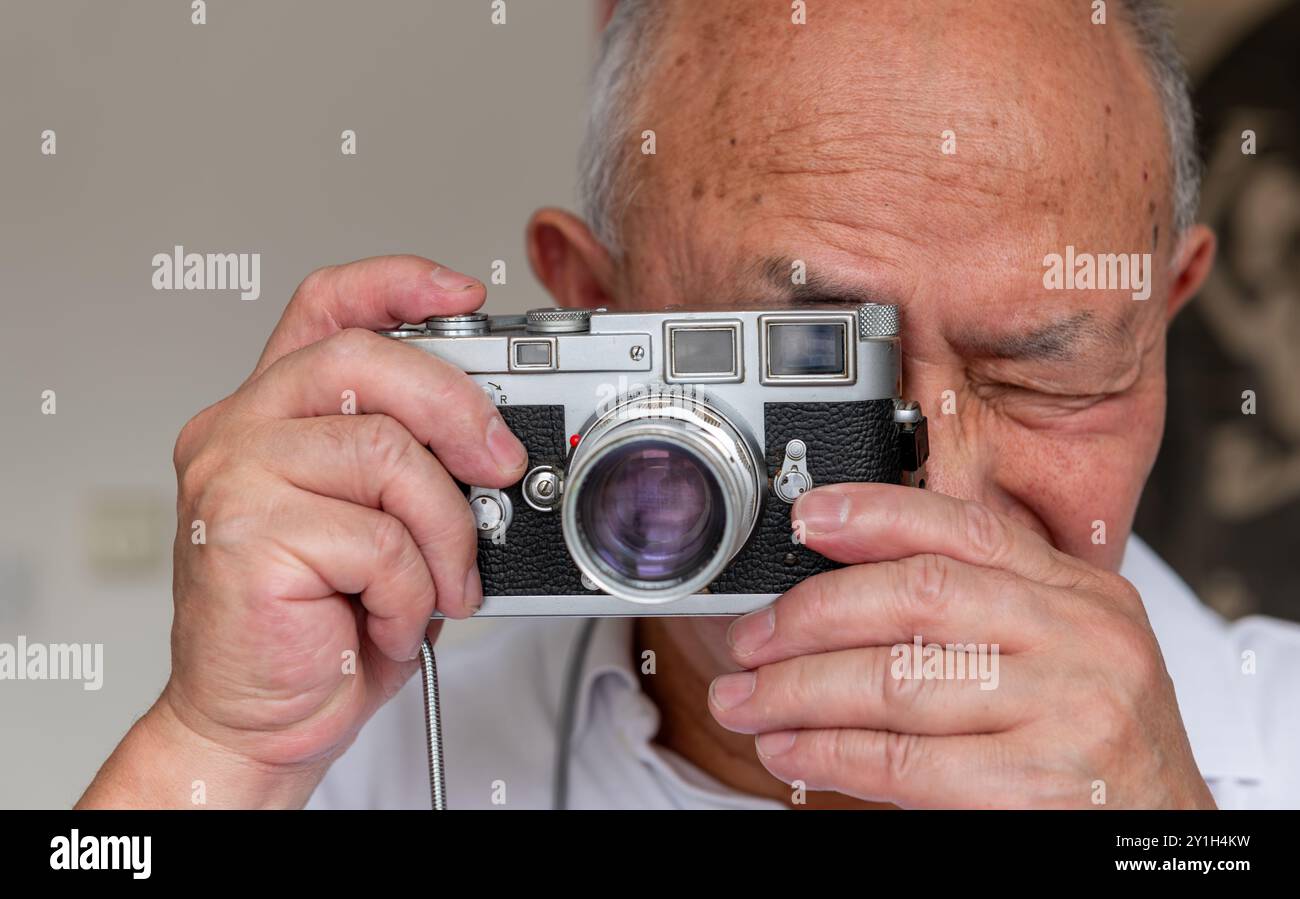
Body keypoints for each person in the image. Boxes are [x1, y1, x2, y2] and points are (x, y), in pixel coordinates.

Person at [79, 0, 1300, 810]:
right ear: (592, 308)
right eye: (812, 363)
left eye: (1043, 369)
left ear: (1161, 314)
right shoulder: (367, 757)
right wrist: (211, 752)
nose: (931, 490)